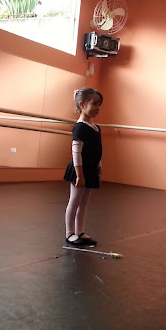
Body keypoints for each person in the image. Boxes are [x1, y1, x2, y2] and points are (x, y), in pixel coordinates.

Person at [63, 87, 103, 247]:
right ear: (82, 104)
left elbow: (97, 150)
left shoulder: (96, 127)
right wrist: (79, 175)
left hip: (90, 170)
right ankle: (69, 233)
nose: (98, 108)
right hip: (79, 170)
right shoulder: (80, 127)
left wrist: (99, 166)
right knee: (74, 201)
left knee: (84, 203)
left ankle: (79, 231)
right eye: (94, 104)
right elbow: (76, 152)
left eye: (99, 105)